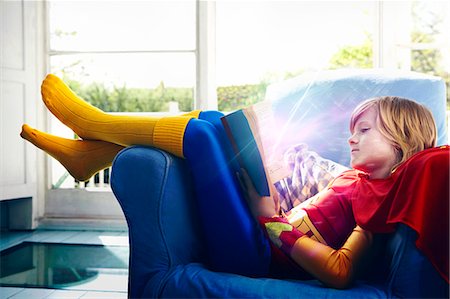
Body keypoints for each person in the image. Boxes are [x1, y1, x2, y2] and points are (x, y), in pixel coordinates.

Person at [21, 74, 448, 291]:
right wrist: (272, 184)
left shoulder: (384, 196)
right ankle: (91, 156)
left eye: (365, 130)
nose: (350, 138)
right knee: (212, 122)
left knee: (205, 133)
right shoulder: (356, 178)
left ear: (401, 137)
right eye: (352, 129)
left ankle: (94, 128)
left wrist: (270, 220)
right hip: (260, 233)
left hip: (258, 252)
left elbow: (340, 272)